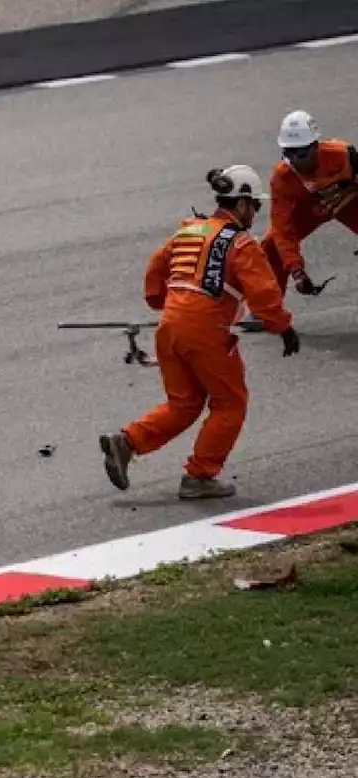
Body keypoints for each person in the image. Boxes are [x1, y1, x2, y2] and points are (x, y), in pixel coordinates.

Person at [99, 166, 300, 500]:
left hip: (170, 327)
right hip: (207, 331)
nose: (256, 214)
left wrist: (164, 304)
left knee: (185, 403)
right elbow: (264, 293)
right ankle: (200, 476)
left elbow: (155, 271)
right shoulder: (241, 243)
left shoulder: (188, 232)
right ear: (243, 204)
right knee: (230, 403)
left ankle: (127, 441)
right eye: (256, 207)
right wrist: (283, 326)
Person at [260, 110, 358, 298]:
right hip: (311, 210)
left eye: (302, 153)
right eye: (289, 153)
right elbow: (283, 228)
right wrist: (296, 270)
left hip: (346, 201)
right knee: (271, 245)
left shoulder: (344, 155)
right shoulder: (281, 178)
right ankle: (268, 307)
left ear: (316, 146)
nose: (295, 160)